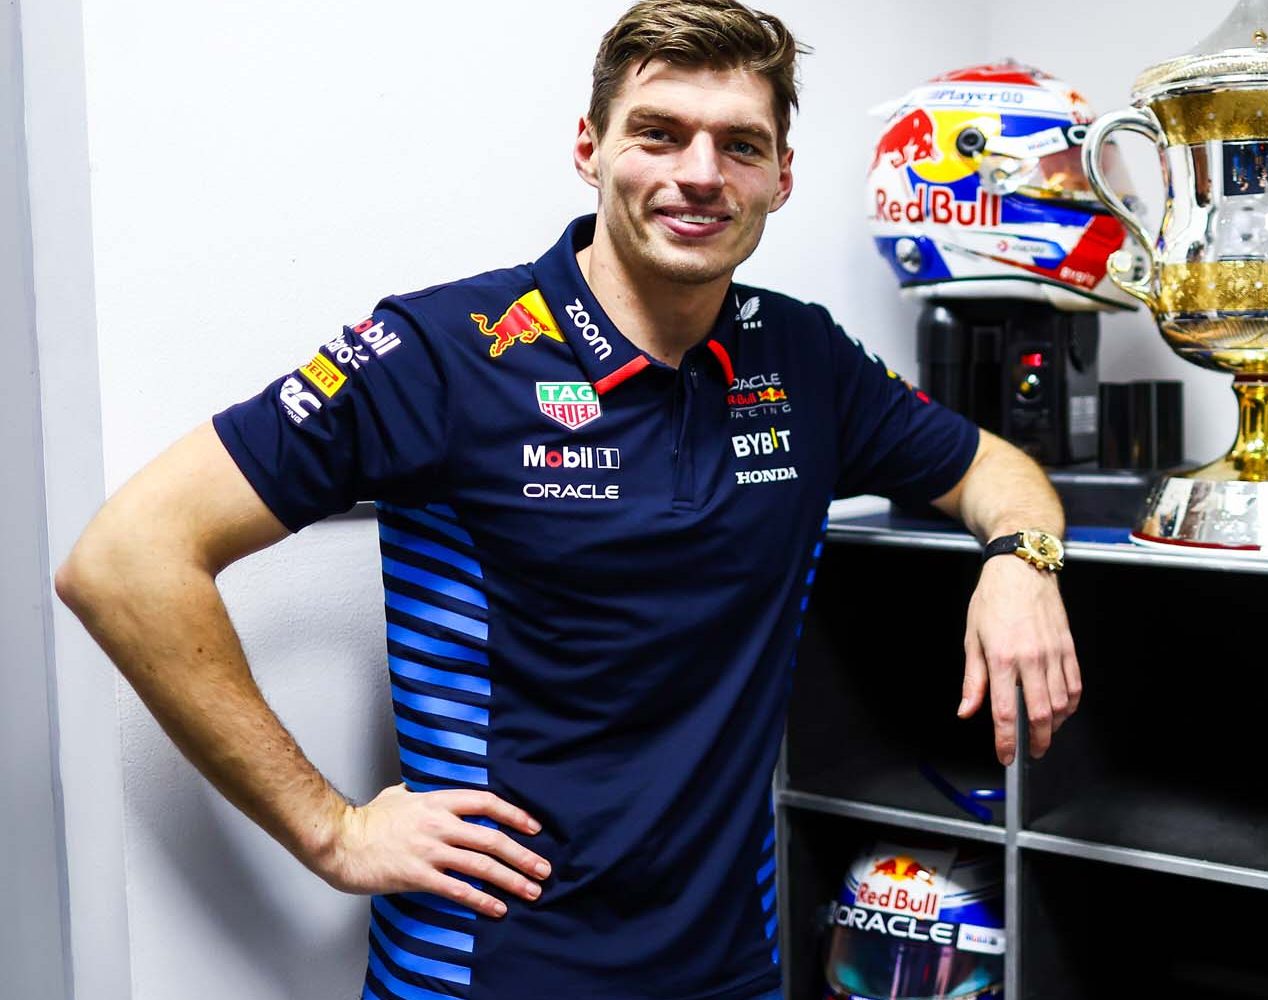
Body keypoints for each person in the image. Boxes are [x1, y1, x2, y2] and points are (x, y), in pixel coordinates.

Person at [53, 2, 1081, 998]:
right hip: (487, 970)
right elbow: (127, 557)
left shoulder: (802, 354)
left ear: (782, 176)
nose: (698, 174)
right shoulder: (443, 351)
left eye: (739, 144)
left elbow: (996, 469)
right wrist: (333, 829)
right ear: (588, 147)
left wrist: (1020, 564)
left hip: (731, 962)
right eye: (659, 133)